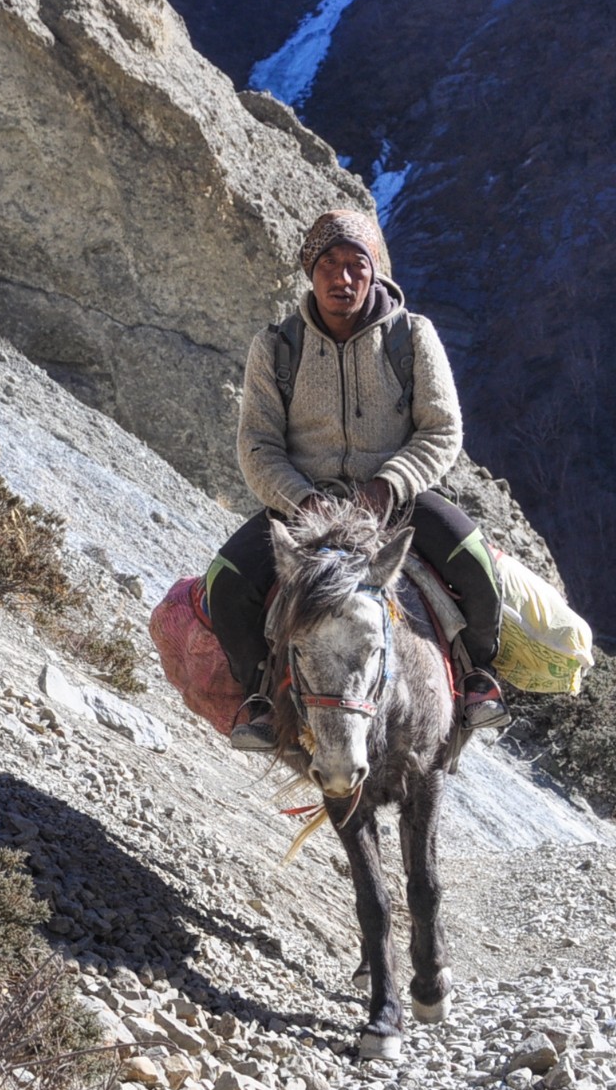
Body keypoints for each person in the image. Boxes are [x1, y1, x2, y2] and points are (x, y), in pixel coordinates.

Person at [205, 208, 507, 750]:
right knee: (226, 583)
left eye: (356, 265)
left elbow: (442, 429)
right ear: (309, 270)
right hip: (304, 505)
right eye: (328, 264)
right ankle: (260, 696)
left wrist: (389, 484)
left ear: (376, 272)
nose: (342, 278)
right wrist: (300, 500)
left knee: (479, 567)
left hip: (397, 499)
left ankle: (475, 679)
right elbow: (257, 444)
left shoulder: (412, 338)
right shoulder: (275, 348)